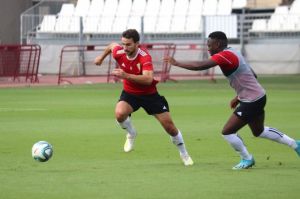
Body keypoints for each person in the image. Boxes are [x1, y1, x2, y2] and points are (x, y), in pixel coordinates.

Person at [164, 31, 300, 170]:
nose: (208, 48)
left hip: (251, 100)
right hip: (258, 96)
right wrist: (239, 96)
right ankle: (295, 144)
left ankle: (247, 159)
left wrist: (177, 63)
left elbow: (200, 66)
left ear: (217, 44)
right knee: (258, 131)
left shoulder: (225, 55)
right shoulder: (234, 52)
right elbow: (253, 74)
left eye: (210, 45)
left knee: (228, 131)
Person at [94, 29, 193, 166]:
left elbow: (148, 79)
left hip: (150, 95)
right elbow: (112, 46)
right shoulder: (120, 52)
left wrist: (126, 75)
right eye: (123, 44)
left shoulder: (144, 56)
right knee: (119, 114)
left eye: (128, 44)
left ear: (137, 44)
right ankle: (131, 133)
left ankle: (184, 153)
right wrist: (101, 57)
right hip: (130, 93)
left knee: (170, 128)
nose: (125, 48)